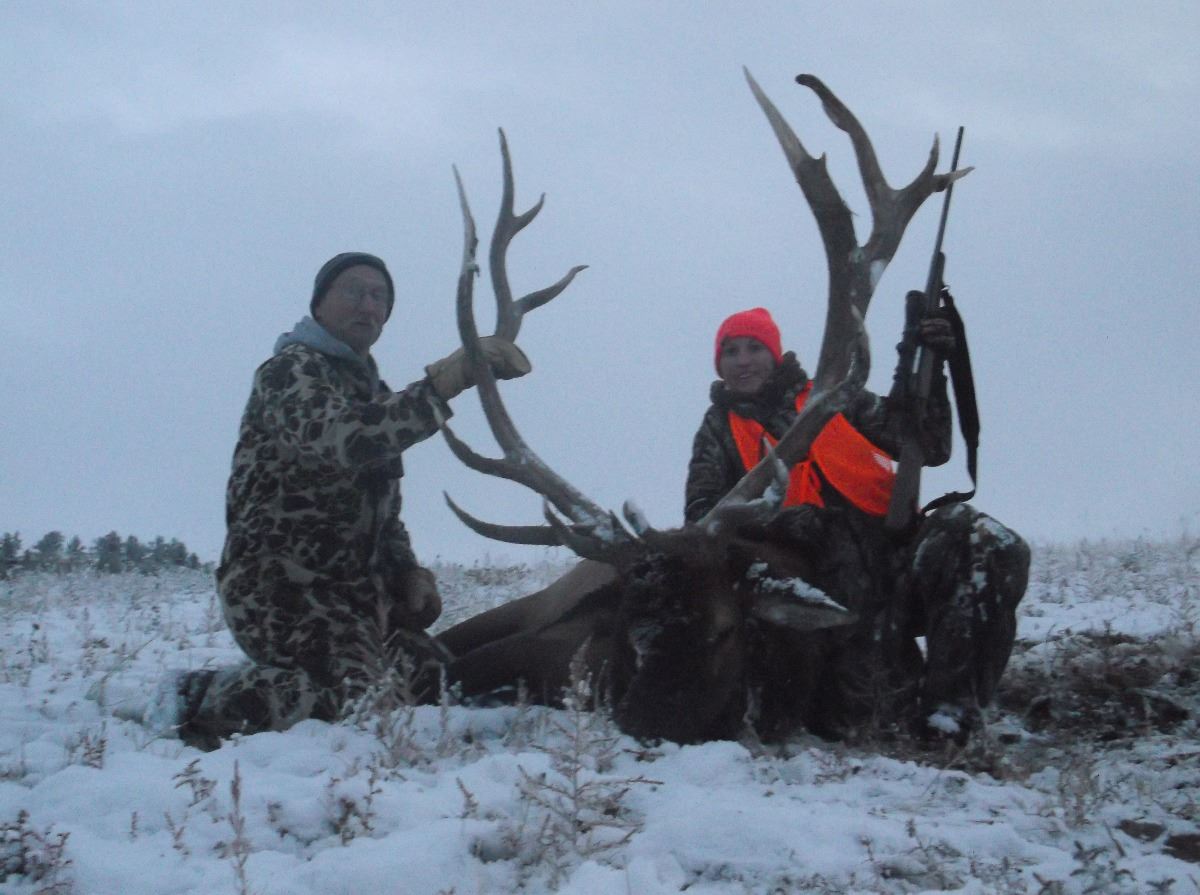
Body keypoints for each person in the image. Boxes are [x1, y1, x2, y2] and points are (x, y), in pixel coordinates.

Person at [150, 252, 530, 748]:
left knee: (438, 685)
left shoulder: (375, 393)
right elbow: (345, 440)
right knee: (355, 704)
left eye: (379, 297)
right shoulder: (289, 372)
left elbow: (385, 515)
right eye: (353, 291)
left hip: (354, 600)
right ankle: (197, 696)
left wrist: (408, 573)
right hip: (279, 589)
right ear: (319, 304)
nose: (367, 305)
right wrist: (443, 384)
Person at [686, 306, 1030, 744]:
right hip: (815, 588)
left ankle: (953, 716)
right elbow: (703, 521)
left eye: (754, 348)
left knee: (983, 542)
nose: (743, 361)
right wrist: (784, 527)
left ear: (775, 353)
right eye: (731, 352)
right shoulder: (717, 430)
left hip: (891, 559)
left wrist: (932, 368)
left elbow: (926, 443)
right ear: (719, 364)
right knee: (866, 718)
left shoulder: (834, 396)